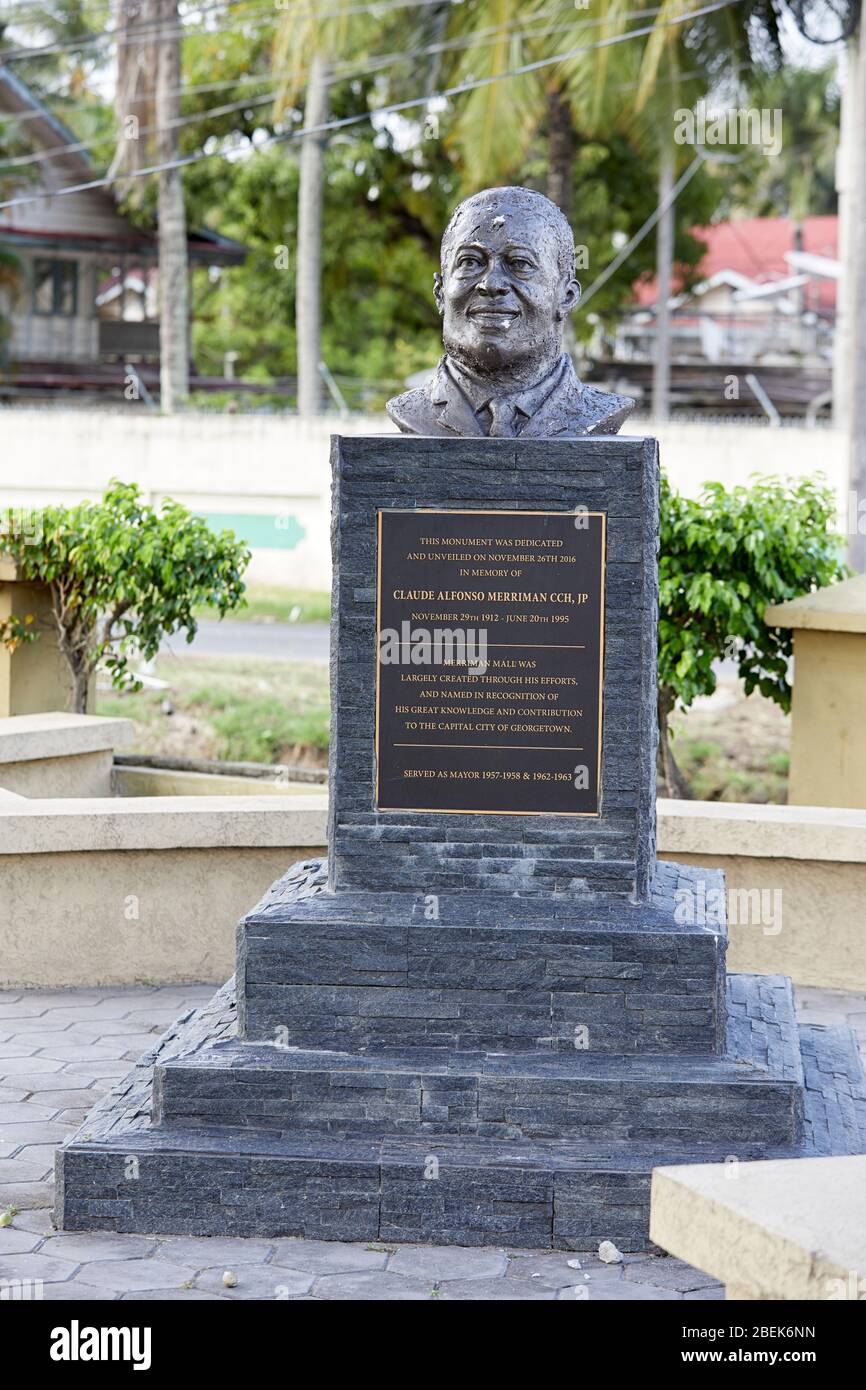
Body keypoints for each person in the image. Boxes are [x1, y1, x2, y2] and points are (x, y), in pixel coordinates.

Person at [387, 185, 634, 439]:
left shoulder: (596, 414)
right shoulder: (411, 412)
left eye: (519, 263)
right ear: (440, 293)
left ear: (566, 296)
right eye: (470, 262)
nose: (492, 284)